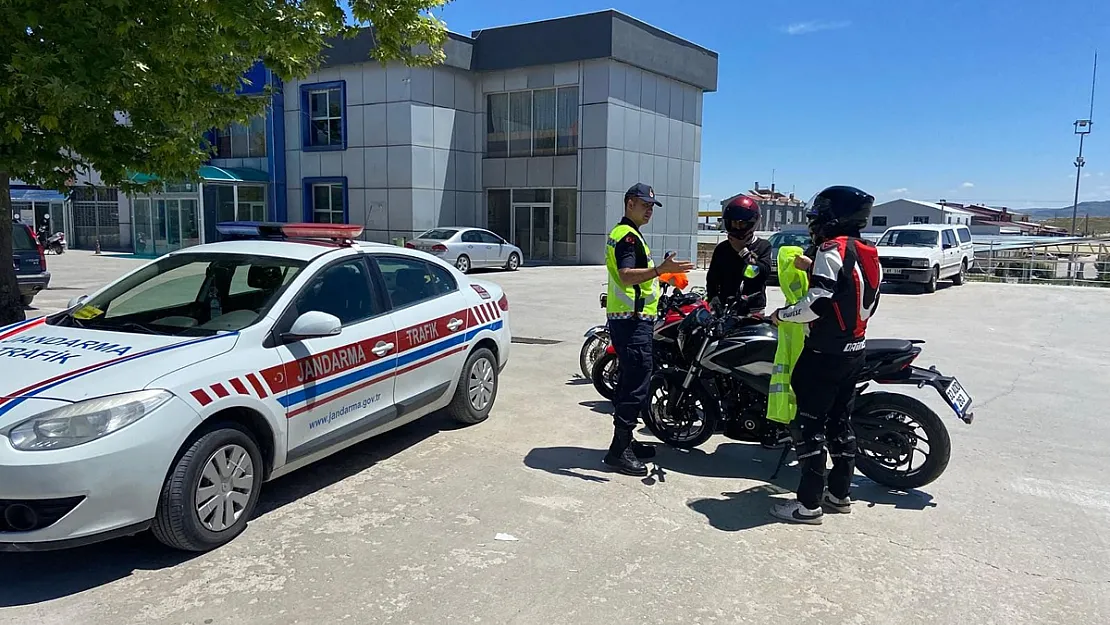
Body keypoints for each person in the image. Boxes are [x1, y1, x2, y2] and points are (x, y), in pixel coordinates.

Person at [767, 185, 882, 524]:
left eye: (818, 217)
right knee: (840, 424)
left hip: (823, 353)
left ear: (832, 218)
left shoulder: (831, 249)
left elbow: (817, 303)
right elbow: (861, 297)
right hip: (854, 350)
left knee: (808, 427)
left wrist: (782, 314)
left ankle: (808, 505)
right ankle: (839, 494)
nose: (814, 224)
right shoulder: (868, 250)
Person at [603, 182, 695, 476]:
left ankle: (625, 441)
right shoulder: (628, 238)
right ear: (629, 203)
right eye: (645, 205)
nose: (649, 211)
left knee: (634, 381)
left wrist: (662, 278)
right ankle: (619, 451)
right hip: (631, 321)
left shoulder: (628, 234)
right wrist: (661, 270)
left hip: (631, 318)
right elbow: (627, 276)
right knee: (635, 384)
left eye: (652, 207)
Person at [706, 195, 772, 314]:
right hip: (726, 309)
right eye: (734, 223)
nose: (737, 227)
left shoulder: (763, 246)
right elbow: (712, 279)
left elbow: (761, 274)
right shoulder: (722, 248)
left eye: (741, 224)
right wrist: (713, 298)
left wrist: (742, 251)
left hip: (753, 309)